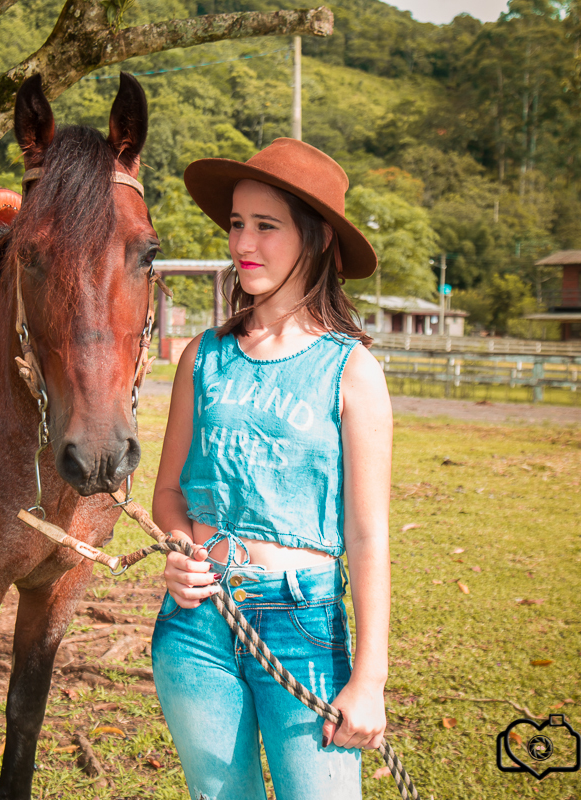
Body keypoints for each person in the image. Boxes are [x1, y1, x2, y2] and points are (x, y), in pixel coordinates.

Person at [150, 138, 393, 800]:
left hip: (305, 627)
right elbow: (169, 493)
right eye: (236, 224)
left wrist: (368, 680)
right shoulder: (203, 357)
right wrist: (179, 547)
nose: (242, 243)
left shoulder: (352, 371)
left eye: (265, 226)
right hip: (197, 625)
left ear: (314, 241)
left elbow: (369, 538)